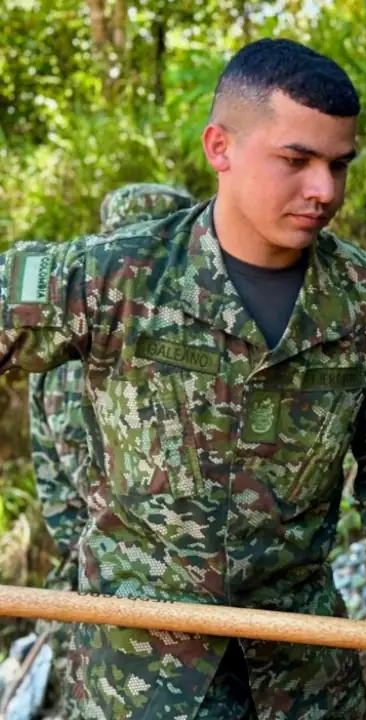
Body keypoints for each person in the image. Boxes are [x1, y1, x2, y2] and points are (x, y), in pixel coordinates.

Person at [0, 38, 366, 719]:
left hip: (300, 670)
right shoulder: (116, 274)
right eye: (296, 161)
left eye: (338, 164)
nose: (324, 190)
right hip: (143, 677)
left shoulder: (364, 299)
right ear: (221, 147)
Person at [29, 182, 196, 704]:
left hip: (102, 598)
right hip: (193, 601)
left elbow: (56, 497)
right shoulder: (192, 339)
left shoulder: (52, 355)